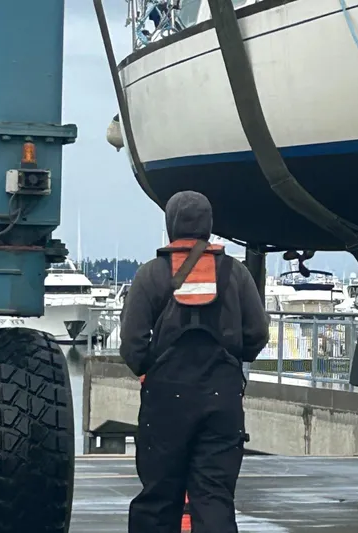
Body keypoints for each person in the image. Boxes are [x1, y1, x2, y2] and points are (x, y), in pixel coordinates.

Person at [119, 190, 270, 532]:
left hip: (165, 402)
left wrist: (148, 371)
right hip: (222, 399)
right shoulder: (236, 273)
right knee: (214, 497)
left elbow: (132, 344)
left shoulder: (150, 275)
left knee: (158, 498)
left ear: (170, 224)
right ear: (209, 225)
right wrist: (234, 362)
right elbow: (258, 333)